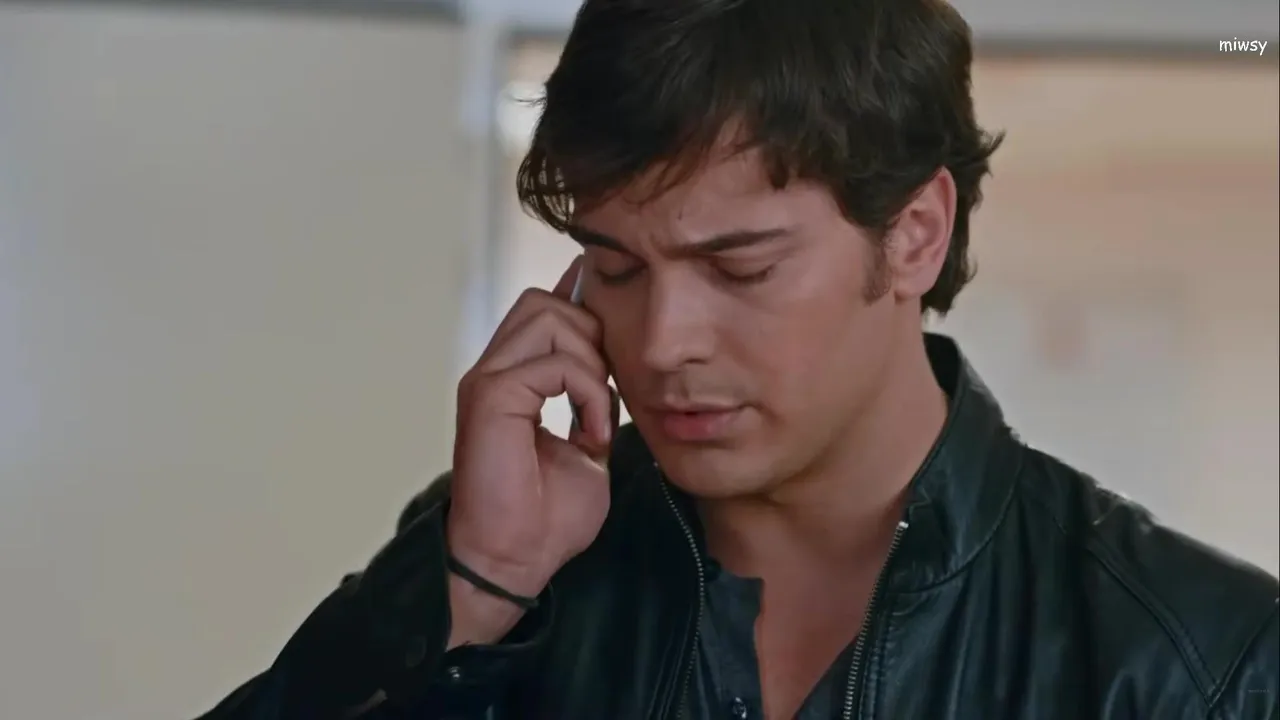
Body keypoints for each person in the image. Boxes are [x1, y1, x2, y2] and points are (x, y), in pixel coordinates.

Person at [196, 0, 1279, 718]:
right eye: (616, 267)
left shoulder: (1196, 662)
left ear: (913, 235)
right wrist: (472, 599)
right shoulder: (499, 559)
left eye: (739, 267)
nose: (660, 343)